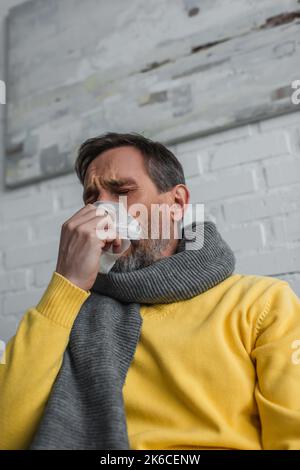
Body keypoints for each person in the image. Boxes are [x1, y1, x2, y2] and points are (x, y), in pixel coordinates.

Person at [0, 132, 300, 450]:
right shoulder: (67, 314)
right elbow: (6, 434)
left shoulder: (262, 302)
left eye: (122, 191)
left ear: (177, 203)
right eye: (91, 200)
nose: (102, 212)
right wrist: (67, 283)